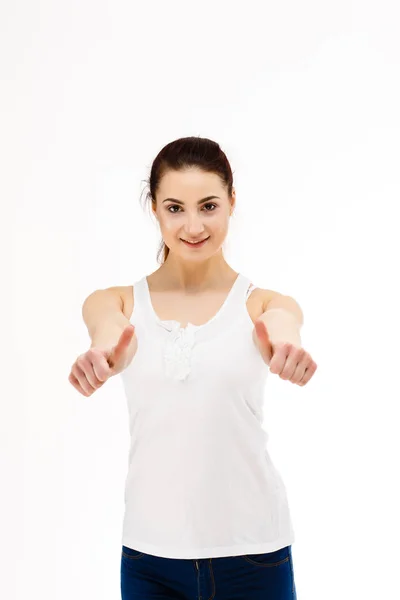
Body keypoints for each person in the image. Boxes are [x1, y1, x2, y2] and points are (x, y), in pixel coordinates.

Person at [68, 136, 317, 599]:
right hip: (150, 559)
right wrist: (104, 356)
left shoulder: (262, 303)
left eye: (208, 205)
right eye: (175, 208)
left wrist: (287, 348)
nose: (194, 225)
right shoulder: (118, 301)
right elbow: (105, 327)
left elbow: (284, 324)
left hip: (254, 555)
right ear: (156, 211)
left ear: (231, 203)